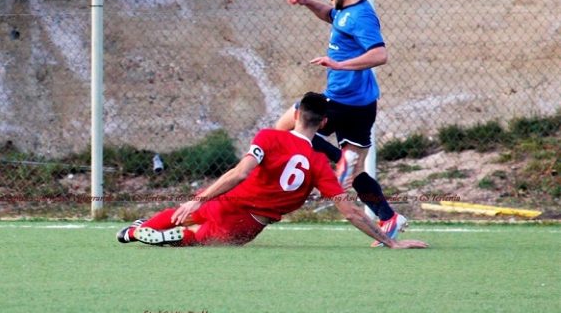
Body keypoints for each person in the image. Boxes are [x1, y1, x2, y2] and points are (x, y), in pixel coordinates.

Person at [116, 92, 427, 249]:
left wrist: (198, 198)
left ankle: (133, 232)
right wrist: (391, 242)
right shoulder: (320, 164)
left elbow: (238, 174)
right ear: (323, 124)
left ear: (295, 114)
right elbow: (350, 212)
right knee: (197, 241)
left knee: (178, 213)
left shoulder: (268, 136)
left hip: (221, 202)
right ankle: (173, 237)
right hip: (245, 224)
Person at [275, 0, 404, 247]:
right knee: (355, 173)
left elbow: (380, 54)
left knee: (288, 126)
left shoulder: (361, 16)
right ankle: (388, 217)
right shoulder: (345, 11)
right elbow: (329, 14)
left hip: (343, 101)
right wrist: (307, 2)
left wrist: (339, 64)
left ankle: (338, 162)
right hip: (360, 104)